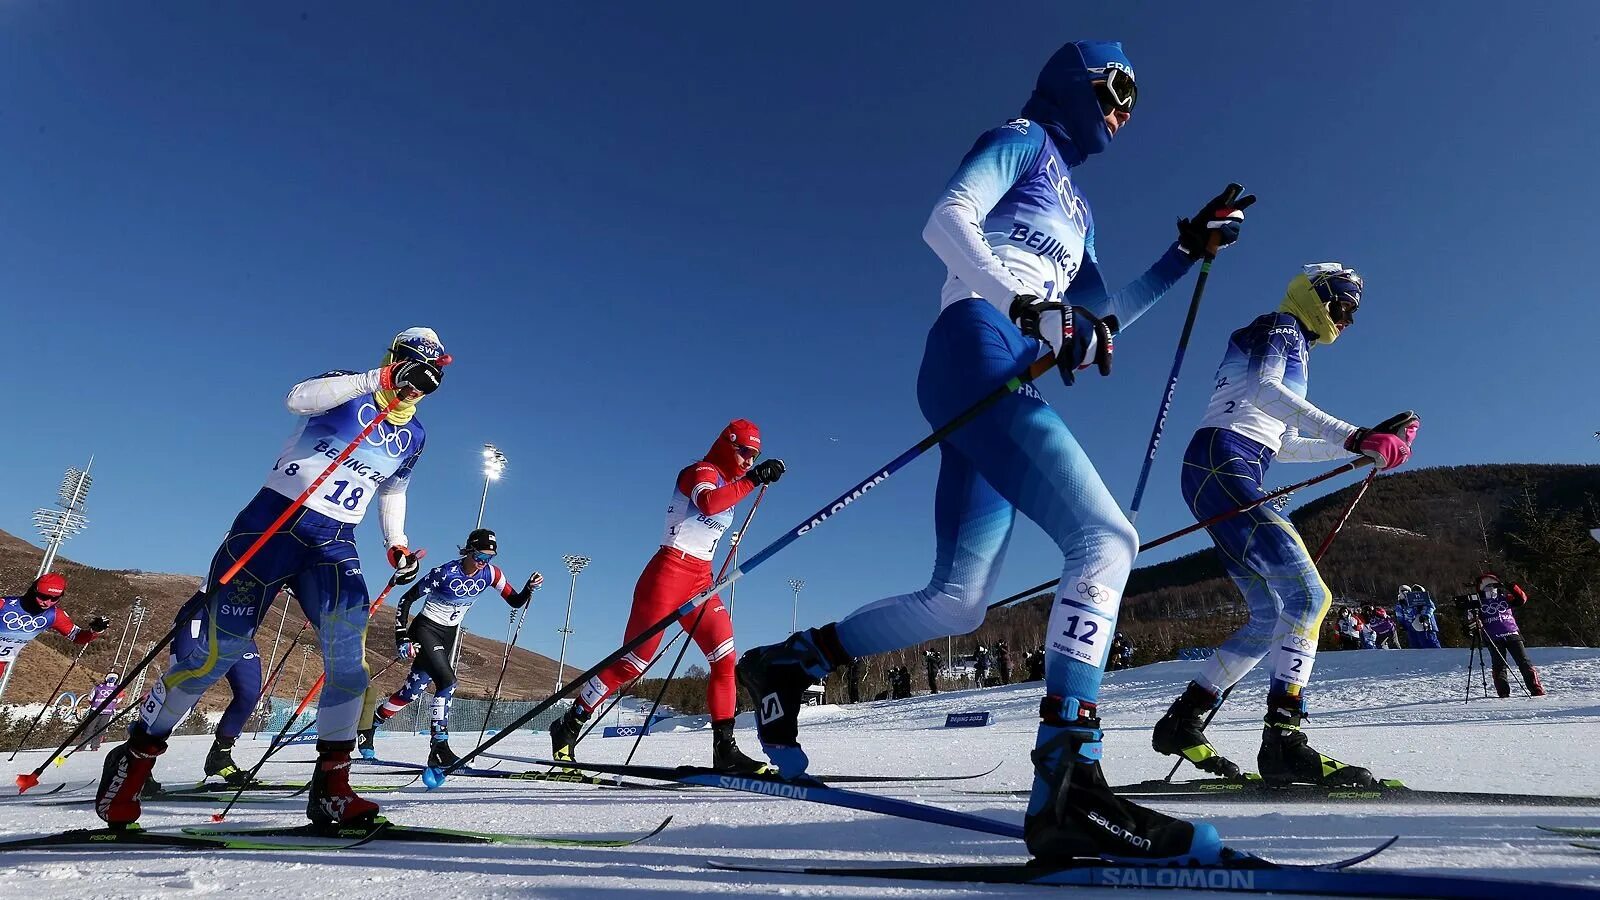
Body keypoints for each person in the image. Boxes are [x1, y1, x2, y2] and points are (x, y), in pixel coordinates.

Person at [739, 41, 1255, 864]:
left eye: (1135, 100)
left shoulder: (1082, 215)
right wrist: (1022, 304)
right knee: (1107, 539)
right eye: (1118, 87)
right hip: (974, 342)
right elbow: (945, 220)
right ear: (1075, 80)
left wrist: (1181, 255)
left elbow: (1101, 317)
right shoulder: (1023, 138)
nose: (1126, 108)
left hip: (1013, 361)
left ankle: (790, 661)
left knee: (958, 604)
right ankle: (1068, 784)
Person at [95, 327, 447, 828]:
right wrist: (379, 378)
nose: (415, 388)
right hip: (272, 523)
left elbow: (392, 489)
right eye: (411, 373)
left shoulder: (416, 434)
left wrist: (396, 541)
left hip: (332, 541)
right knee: (213, 657)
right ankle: (133, 761)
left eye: (427, 383)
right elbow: (296, 399)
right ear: (394, 359)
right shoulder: (349, 387)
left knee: (349, 664)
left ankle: (332, 789)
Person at [1151, 263, 1420, 788]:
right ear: (1319, 297)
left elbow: (1280, 441)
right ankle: (1283, 740)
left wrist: (1359, 449)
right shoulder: (1281, 328)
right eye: (1344, 307)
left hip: (1221, 466)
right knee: (1309, 599)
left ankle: (1183, 722)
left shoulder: (1291, 341)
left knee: (1267, 618)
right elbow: (1267, 389)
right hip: (1220, 463)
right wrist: (1354, 436)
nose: (1348, 319)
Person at [548, 419, 783, 775]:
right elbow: (707, 504)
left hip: (700, 578)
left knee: (724, 657)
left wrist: (752, 480)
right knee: (633, 665)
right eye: (744, 452)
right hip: (668, 573)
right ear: (726, 444)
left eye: (755, 456)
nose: (749, 460)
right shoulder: (699, 471)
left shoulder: (735, 483)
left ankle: (725, 751)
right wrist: (753, 480)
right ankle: (568, 724)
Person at [364, 529, 541, 767]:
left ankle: (368, 726)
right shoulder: (444, 573)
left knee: (411, 692)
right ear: (468, 550)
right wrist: (402, 638)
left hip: (448, 634)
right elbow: (406, 599)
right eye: (479, 556)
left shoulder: (491, 574)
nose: (482, 563)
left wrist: (528, 588)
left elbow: (515, 601)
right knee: (448, 682)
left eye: (489, 557)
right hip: (426, 628)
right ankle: (439, 747)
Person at [0, 575, 109, 684]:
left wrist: (95, 630)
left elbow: (77, 637)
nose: (47, 602)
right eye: (43, 597)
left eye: (54, 598)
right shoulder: (4, 605)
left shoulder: (54, 615)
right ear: (34, 591)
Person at [1469, 573, 1546, 697]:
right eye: (1487, 587)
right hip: (1493, 637)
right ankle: (1503, 693)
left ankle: (1536, 689)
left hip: (1512, 633)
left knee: (1524, 662)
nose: (1491, 589)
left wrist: (1511, 586)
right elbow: (1471, 621)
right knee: (1499, 665)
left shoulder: (1504, 597)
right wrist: (1475, 622)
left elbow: (1522, 599)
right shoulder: (1477, 602)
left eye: (1493, 586)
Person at [1394, 584, 1441, 649]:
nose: (1405, 593)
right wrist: (1402, 623)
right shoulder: (1401, 603)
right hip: (1412, 626)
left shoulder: (1423, 599)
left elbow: (1430, 607)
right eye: (1402, 591)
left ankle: (1437, 656)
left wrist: (1425, 616)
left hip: (1425, 624)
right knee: (1415, 645)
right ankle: (1419, 657)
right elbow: (1400, 614)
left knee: (1430, 642)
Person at [85, 673, 122, 752]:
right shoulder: (100, 687)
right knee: (93, 728)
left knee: (94, 729)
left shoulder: (100, 687)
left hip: (102, 711)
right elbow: (91, 697)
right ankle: (88, 746)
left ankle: (92, 746)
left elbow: (90, 698)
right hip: (100, 710)